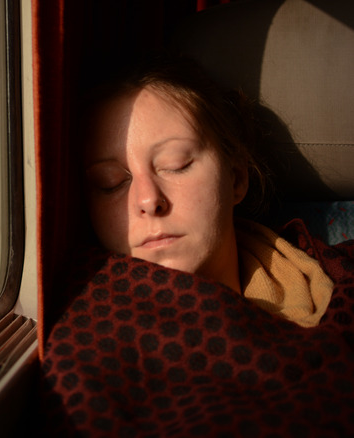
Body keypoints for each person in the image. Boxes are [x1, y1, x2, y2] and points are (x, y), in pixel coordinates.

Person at [40, 56, 354, 436]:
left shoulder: (340, 279)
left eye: (175, 164)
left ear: (236, 178)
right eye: (110, 183)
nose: (147, 200)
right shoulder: (86, 343)